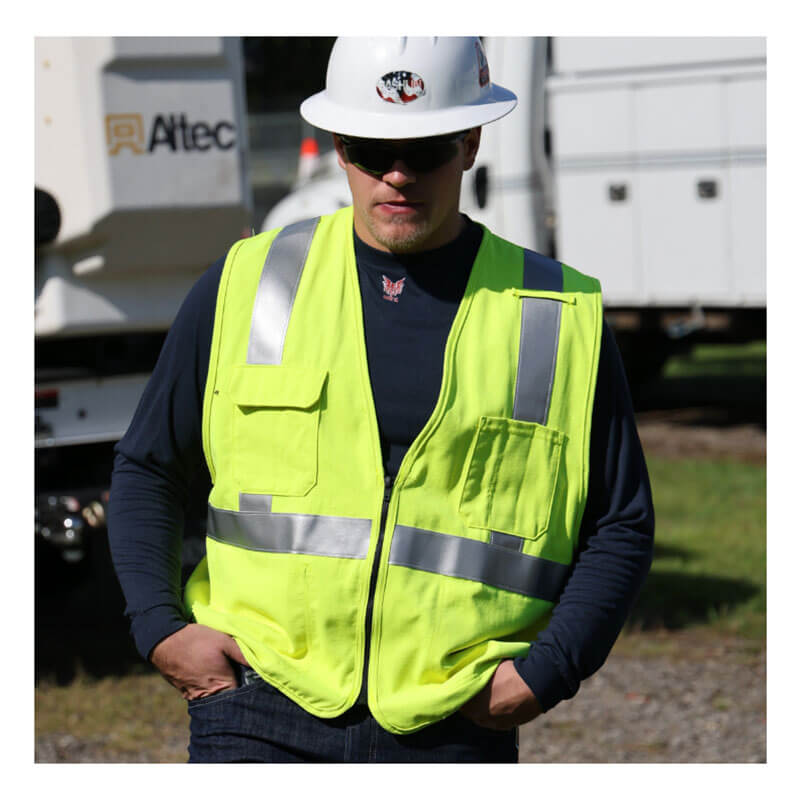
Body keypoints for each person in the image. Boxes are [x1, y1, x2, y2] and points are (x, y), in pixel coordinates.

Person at [108, 36, 654, 763]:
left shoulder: (555, 311)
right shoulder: (247, 280)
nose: (397, 176)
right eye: (371, 149)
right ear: (338, 145)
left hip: (453, 717)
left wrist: (550, 669)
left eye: (425, 151)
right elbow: (149, 466)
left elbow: (619, 520)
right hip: (257, 703)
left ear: (470, 141)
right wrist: (161, 628)